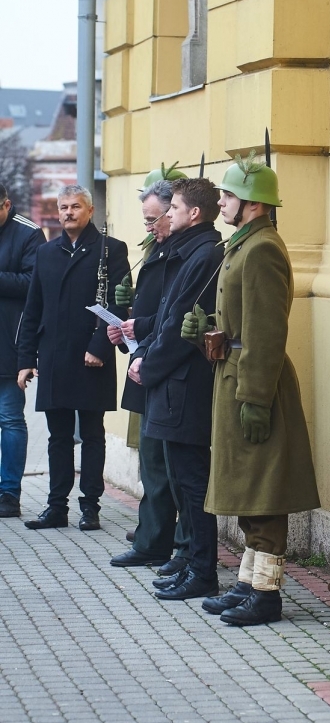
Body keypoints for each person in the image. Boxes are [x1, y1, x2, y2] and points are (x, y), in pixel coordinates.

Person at [181, 156, 319, 626]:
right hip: (236, 377)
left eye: (227, 195)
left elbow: (265, 331)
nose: (220, 201)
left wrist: (255, 398)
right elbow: (240, 320)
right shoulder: (244, 244)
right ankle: (247, 582)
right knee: (246, 487)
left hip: (254, 384)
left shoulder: (262, 249)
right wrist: (209, 328)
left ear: (252, 203)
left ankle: (266, 593)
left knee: (262, 490)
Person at [127, 178, 222, 601]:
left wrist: (149, 364)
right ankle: (188, 562)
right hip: (171, 383)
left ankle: (202, 570)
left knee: (191, 482)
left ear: (192, 213)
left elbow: (183, 323)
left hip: (183, 385)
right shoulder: (186, 250)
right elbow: (166, 314)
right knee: (183, 481)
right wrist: (145, 349)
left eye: (175, 207)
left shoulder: (203, 253)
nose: (169, 214)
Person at [17, 185, 128, 531]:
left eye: (75, 206)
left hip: (91, 357)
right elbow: (33, 308)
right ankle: (56, 507)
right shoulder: (47, 253)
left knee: (92, 434)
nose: (68, 212)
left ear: (90, 211)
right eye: (63, 207)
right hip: (54, 357)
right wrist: (25, 357)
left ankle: (91, 505)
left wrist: (99, 346)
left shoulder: (111, 250)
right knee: (57, 436)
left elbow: (119, 302)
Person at [107, 174, 191, 571]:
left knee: (162, 465)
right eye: (148, 219)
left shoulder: (183, 253)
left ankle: (160, 540)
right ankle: (152, 534)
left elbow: (173, 316)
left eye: (155, 218)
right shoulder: (159, 251)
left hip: (160, 365)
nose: (152, 227)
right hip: (147, 360)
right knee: (151, 461)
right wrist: (126, 322)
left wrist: (139, 326)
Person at [0, 185, 45, 519]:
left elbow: (35, 283)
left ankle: (8, 494)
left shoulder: (30, 233)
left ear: (6, 205)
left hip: (9, 345)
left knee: (11, 420)